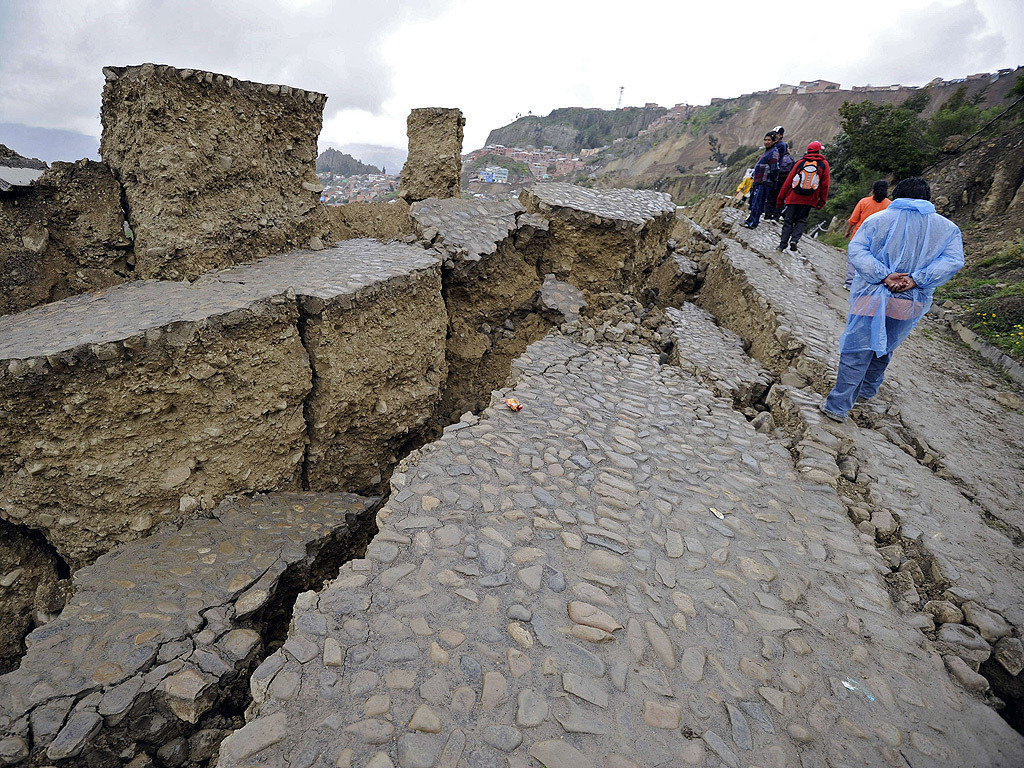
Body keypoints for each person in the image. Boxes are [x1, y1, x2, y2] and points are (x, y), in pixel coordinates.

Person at [819, 177, 964, 422]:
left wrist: (884, 275)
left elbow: (857, 250)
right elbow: (953, 261)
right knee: (885, 346)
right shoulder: (947, 228)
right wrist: (917, 279)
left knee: (857, 349)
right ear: (927, 198)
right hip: (911, 301)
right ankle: (867, 391)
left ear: (897, 195)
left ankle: (838, 406)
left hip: (872, 296)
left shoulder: (878, 220)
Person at [776, 141, 830, 251]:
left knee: (788, 221)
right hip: (809, 199)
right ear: (818, 151)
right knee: (801, 220)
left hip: (793, 197)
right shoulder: (823, 164)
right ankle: (794, 240)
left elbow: (788, 181)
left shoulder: (800, 162)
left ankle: (782, 245)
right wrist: (821, 201)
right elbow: (825, 185)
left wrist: (780, 199)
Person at [843, 180, 891, 288]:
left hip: (859, 235)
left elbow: (853, 219)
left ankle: (850, 283)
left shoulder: (864, 202)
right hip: (878, 239)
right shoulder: (889, 205)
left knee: (853, 259)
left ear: (873, 190)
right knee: (871, 261)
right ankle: (864, 285)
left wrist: (847, 231)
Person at [742, 132, 779, 229]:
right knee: (754, 202)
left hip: (764, 182)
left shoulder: (773, 152)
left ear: (774, 141)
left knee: (758, 203)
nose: (766, 142)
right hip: (759, 181)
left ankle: (753, 222)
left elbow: (774, 169)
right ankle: (750, 220)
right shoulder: (767, 151)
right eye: (765, 140)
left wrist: (773, 181)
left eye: (769, 140)